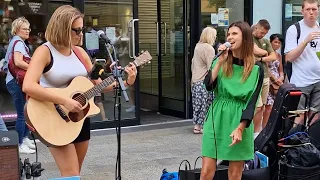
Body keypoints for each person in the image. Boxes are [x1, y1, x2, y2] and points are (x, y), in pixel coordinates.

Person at [22, 5, 137, 177]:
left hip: (79, 119)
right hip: (52, 117)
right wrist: (64, 100)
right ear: (62, 29)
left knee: (75, 173)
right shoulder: (45, 52)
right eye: (77, 30)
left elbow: (97, 85)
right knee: (71, 174)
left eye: (82, 29)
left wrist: (126, 81)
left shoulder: (80, 53)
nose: (81, 34)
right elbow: (28, 86)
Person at [201, 21, 263, 180]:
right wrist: (219, 63)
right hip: (217, 116)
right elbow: (208, 86)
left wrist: (240, 128)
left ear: (246, 38)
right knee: (206, 171)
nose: (230, 37)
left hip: (239, 120)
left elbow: (252, 103)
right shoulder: (220, 60)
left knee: (235, 174)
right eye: (229, 34)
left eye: (235, 34)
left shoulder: (256, 69)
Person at [285, 0, 320, 126]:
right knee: (298, 116)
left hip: (318, 80)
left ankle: (310, 143)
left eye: (314, 9)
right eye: (308, 9)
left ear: (318, 10)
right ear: (302, 11)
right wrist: (305, 41)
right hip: (301, 81)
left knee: (315, 117)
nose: (311, 12)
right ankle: (294, 142)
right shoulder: (294, 29)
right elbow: (289, 58)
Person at [4, 17, 35, 154]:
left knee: (27, 111)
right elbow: (18, 62)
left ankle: (25, 137)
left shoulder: (16, 42)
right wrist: (33, 68)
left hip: (15, 81)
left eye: (29, 28)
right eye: (24, 28)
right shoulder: (18, 42)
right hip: (15, 81)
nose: (28, 31)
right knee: (22, 113)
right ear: (17, 30)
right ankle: (19, 143)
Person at [252, 19, 276, 137]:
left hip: (266, 76)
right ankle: (252, 131)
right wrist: (265, 53)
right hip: (255, 76)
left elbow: (274, 56)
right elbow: (255, 50)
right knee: (258, 106)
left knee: (262, 107)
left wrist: (262, 58)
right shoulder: (249, 38)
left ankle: (257, 132)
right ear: (256, 27)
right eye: (261, 32)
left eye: (264, 33)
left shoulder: (265, 40)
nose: (262, 35)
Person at [191, 26, 216, 134]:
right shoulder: (208, 48)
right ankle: (205, 126)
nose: (215, 37)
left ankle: (197, 126)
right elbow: (212, 66)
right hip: (204, 80)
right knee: (207, 104)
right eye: (214, 35)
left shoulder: (198, 46)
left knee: (198, 104)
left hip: (196, 79)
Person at [264, 34, 284, 127]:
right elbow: (267, 68)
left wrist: (281, 78)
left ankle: (273, 127)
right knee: (268, 106)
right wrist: (274, 79)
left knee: (277, 106)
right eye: (275, 42)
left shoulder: (279, 55)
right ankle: (264, 128)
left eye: (279, 43)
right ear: (270, 42)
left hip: (278, 82)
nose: (277, 44)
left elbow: (281, 70)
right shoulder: (267, 53)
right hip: (269, 81)